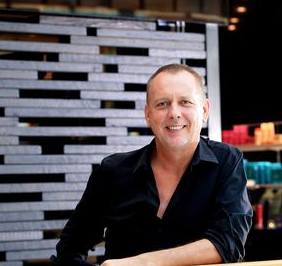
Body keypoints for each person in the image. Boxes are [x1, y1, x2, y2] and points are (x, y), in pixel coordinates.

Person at [54, 64, 253, 266]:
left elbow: (229, 242)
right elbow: (69, 249)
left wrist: (143, 262)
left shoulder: (226, 161)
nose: (174, 113)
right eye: (162, 104)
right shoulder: (113, 171)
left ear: (204, 110)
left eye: (185, 102)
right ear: (148, 114)